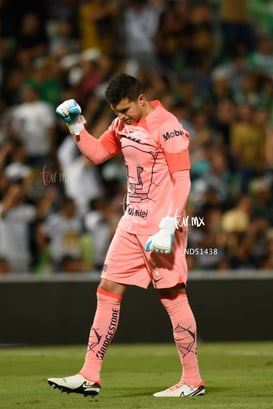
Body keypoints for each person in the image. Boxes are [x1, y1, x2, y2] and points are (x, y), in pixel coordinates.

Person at [48, 73, 205, 398]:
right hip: (131, 223)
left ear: (141, 99)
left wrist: (169, 226)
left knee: (173, 295)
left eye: (125, 110)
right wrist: (76, 125)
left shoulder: (168, 126)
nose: (121, 118)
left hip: (161, 227)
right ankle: (89, 375)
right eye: (116, 112)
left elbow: (183, 181)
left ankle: (192, 380)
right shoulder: (121, 125)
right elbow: (96, 154)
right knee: (107, 290)